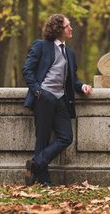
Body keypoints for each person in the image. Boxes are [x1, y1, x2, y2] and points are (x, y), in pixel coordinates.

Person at [22, 14, 92, 186]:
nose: (71, 28)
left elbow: (72, 79)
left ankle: (36, 164)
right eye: (68, 26)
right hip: (44, 98)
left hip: (61, 99)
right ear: (58, 29)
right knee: (43, 139)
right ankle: (44, 180)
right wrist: (38, 91)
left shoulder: (69, 53)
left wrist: (82, 86)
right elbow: (27, 70)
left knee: (66, 137)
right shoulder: (41, 46)